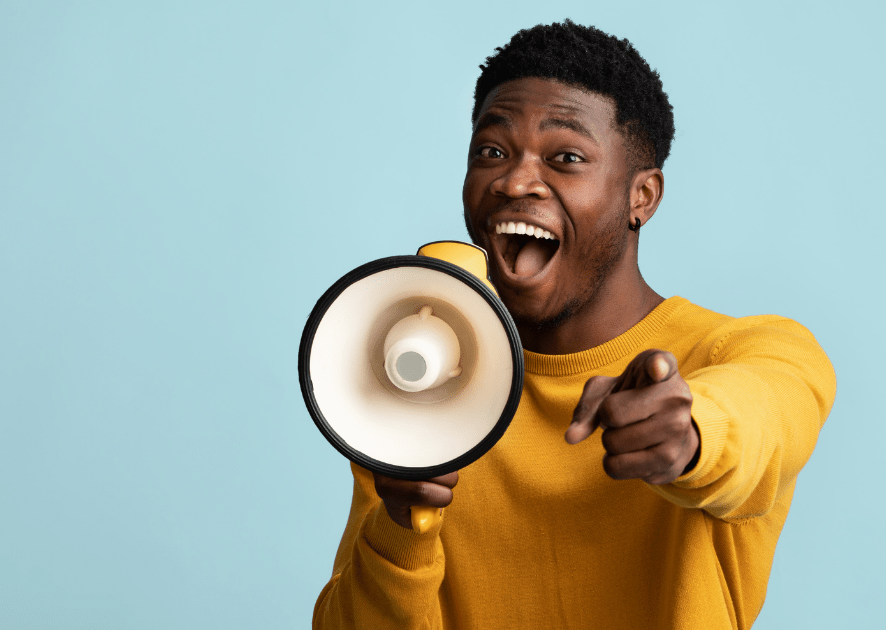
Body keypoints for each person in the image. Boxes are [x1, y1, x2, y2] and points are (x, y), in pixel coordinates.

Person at [313, 20, 836, 630]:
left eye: (565, 157)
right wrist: (401, 527)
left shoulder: (751, 351)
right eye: (491, 152)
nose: (514, 180)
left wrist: (692, 432)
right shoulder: (416, 386)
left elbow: (765, 420)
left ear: (642, 197)